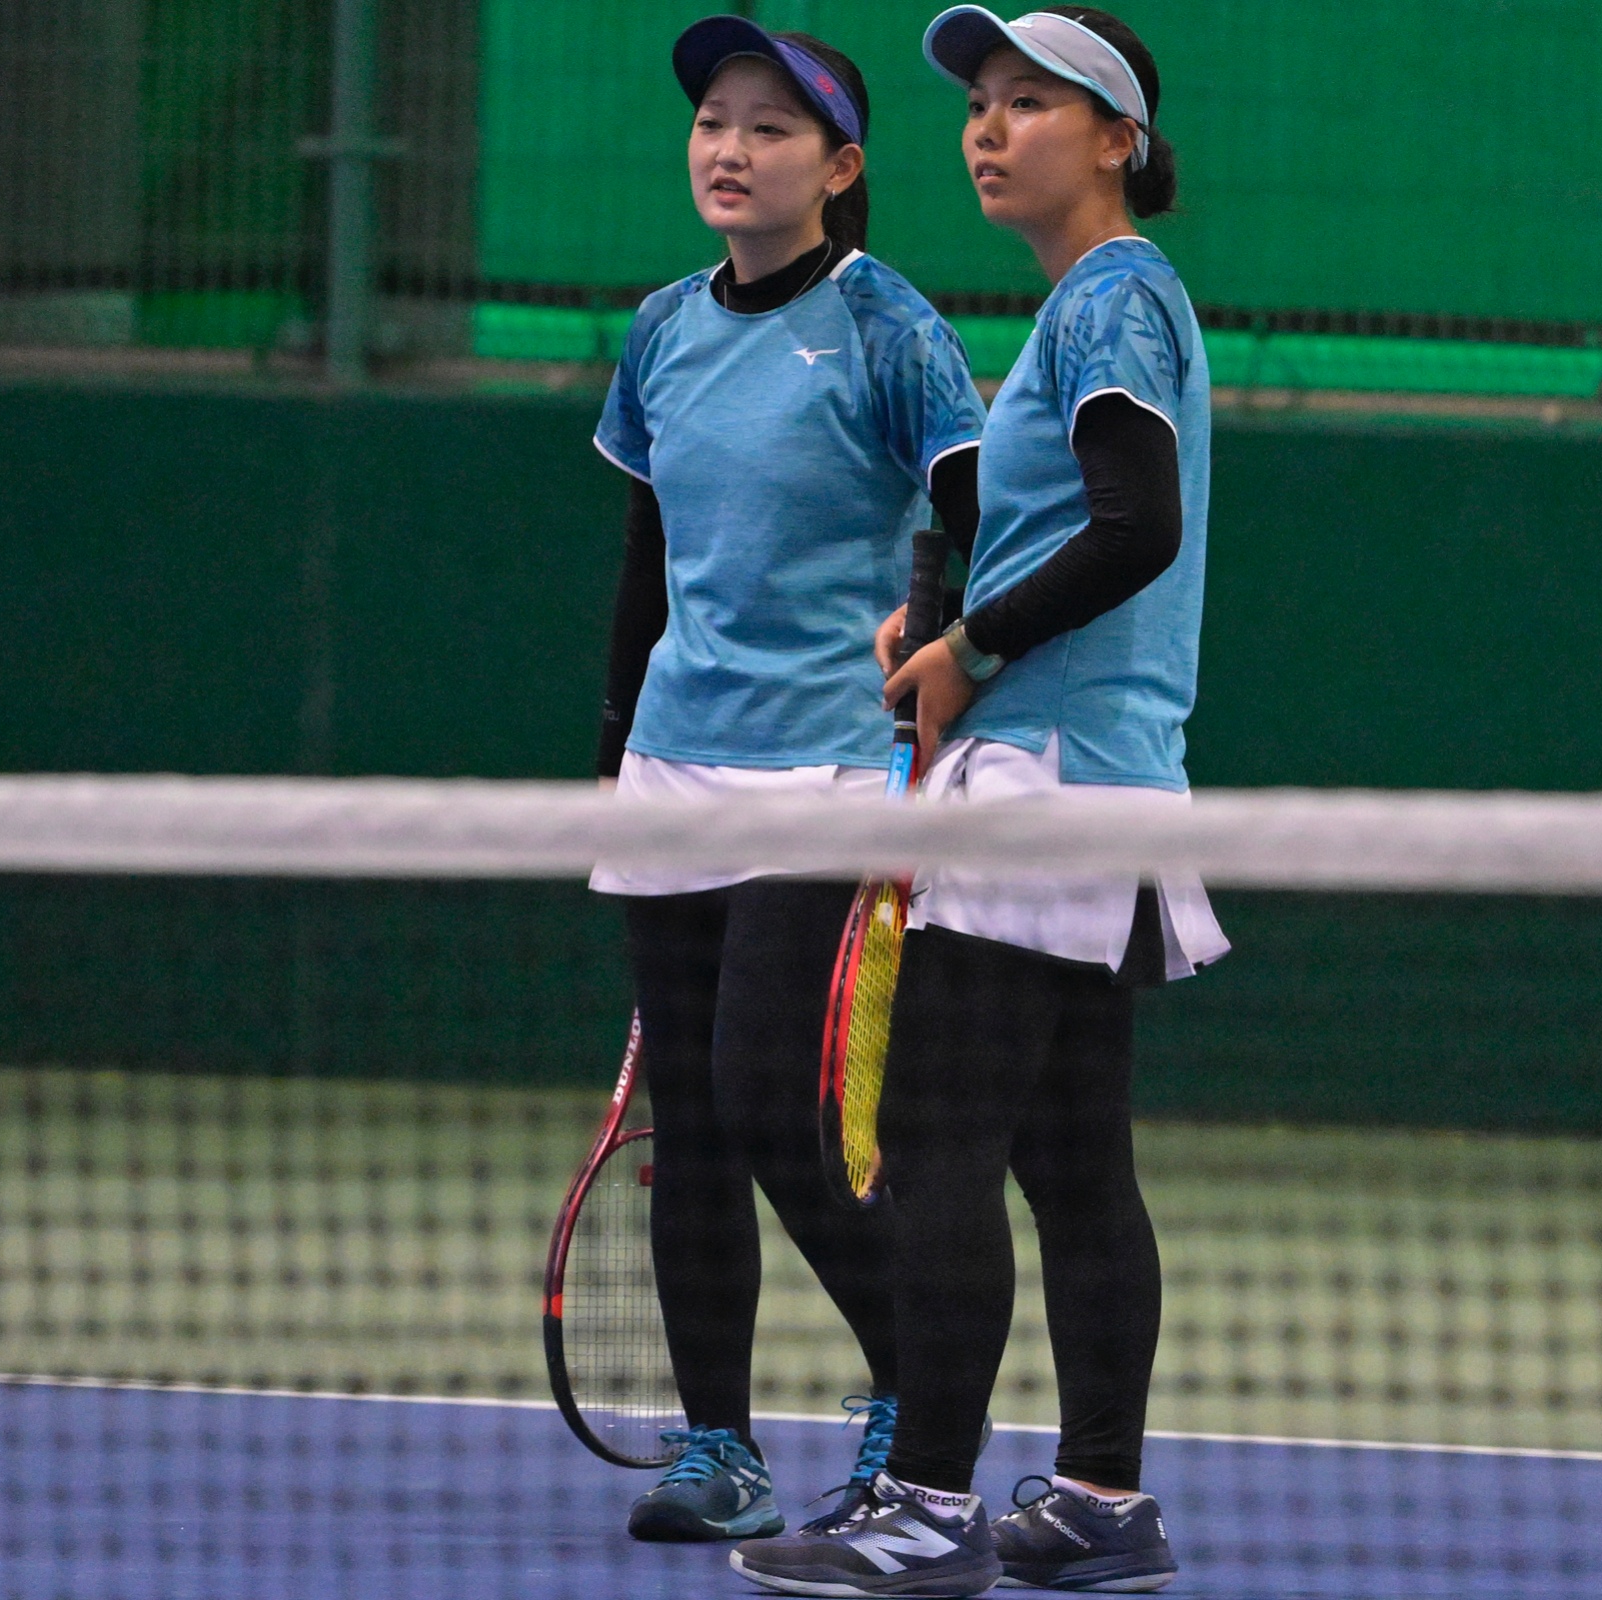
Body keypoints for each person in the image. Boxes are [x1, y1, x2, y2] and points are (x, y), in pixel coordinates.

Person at [730, 8, 1222, 1595]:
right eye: (978, 105)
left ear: (1118, 140)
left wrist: (972, 647)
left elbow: (1135, 527)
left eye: (1030, 103)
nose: (987, 129)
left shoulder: (1113, 296)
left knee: (935, 1142)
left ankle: (926, 1509)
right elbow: (1069, 531)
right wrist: (936, 625)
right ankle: (1099, 1501)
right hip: (1094, 776)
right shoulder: (1092, 306)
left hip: (1044, 782)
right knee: (1073, 1165)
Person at [589, 14, 987, 1546]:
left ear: (837, 166)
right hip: (671, 761)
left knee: (767, 1099)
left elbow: (980, 514)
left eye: (768, 128)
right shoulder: (660, 329)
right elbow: (648, 552)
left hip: (828, 759)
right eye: (713, 123)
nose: (730, 149)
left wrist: (940, 673)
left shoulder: (889, 326)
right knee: (692, 1123)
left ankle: (913, 1387)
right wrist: (613, 746)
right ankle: (719, 1448)